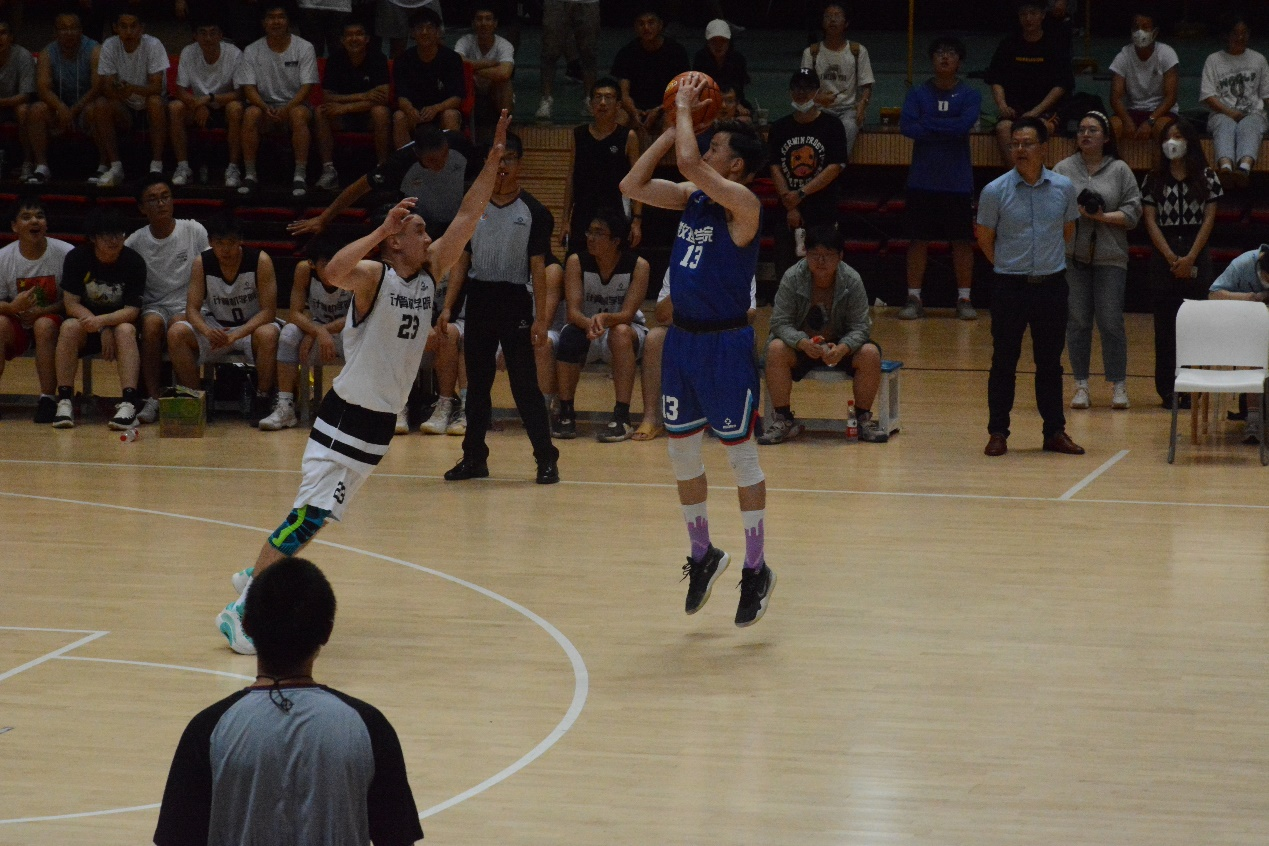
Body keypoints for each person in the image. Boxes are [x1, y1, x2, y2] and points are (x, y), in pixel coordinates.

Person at [215, 112, 512, 655]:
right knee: (309, 516)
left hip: (377, 423)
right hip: (347, 417)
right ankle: (245, 612)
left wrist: (492, 161)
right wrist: (379, 230)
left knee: (316, 516)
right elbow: (332, 273)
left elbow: (469, 215)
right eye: (418, 230)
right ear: (396, 243)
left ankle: (255, 574)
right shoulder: (376, 276)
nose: (430, 235)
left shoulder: (429, 272)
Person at [619, 73, 776, 628]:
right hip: (683, 342)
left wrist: (685, 109)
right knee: (682, 454)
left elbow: (689, 163)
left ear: (736, 165)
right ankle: (703, 553)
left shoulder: (744, 205)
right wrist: (669, 129)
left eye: (716, 149)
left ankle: (755, 567)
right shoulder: (694, 197)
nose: (706, 152)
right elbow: (632, 185)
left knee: (741, 457)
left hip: (726, 346)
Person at [156, 557, 424, 846]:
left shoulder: (207, 729)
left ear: (246, 625)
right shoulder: (369, 727)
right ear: (327, 632)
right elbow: (397, 838)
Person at [436, 131, 561, 484]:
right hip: (479, 299)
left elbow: (538, 266)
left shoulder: (535, 211)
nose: (503, 165)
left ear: (520, 164)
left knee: (525, 385)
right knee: (477, 386)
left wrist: (540, 318)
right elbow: (462, 261)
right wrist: (448, 307)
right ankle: (474, 458)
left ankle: (546, 458)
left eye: (509, 159)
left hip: (514, 301)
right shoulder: (472, 208)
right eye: (497, 159)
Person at [976, 116, 1084, 457]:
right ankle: (997, 432)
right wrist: (1010, 266)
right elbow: (985, 238)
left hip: (1051, 286)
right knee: (1003, 361)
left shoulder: (1064, 188)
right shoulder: (994, 191)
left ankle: (1054, 432)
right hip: (1009, 287)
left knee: (1050, 363)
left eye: (1027, 144)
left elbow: (1068, 232)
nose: (1020, 150)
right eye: (1015, 144)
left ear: (1044, 148)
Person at [759, 223, 888, 445]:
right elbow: (779, 323)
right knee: (776, 349)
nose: (820, 261)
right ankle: (782, 419)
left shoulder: (852, 280)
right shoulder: (792, 277)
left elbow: (861, 327)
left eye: (827, 255)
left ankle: (862, 420)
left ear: (840, 256)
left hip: (839, 345)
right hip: (802, 345)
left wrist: (843, 348)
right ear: (805, 254)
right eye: (814, 254)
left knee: (870, 353)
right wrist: (802, 342)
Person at [1052, 110, 1142, 411]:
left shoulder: (1120, 169)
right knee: (1077, 321)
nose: (1085, 135)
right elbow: (1051, 208)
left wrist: (1102, 216)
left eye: (1092, 130)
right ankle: (1080, 384)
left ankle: (1118, 384)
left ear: (1105, 137)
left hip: (1110, 256)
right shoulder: (1063, 168)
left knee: (1110, 321)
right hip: (1073, 257)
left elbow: (1133, 213)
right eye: (1081, 130)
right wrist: (1075, 213)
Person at [898, 35, 981, 321]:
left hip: (957, 182)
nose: (945, 57)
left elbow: (963, 126)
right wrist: (948, 126)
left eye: (951, 52)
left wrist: (929, 123)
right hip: (922, 180)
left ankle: (964, 298)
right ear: (932, 60)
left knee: (962, 241)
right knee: (918, 240)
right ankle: (913, 297)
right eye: (940, 53)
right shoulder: (917, 93)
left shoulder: (970, 94)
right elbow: (908, 127)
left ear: (960, 61)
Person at [168, 213, 280, 424]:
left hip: (250, 327)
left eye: (231, 242)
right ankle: (197, 399)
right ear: (210, 242)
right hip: (217, 326)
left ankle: (262, 398)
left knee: (269, 333)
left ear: (240, 241)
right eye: (220, 243)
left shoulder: (260, 260)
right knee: (176, 332)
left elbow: (268, 312)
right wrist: (207, 331)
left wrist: (236, 335)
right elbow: (192, 309)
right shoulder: (202, 263)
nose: (226, 249)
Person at [1141, 116, 1221, 408]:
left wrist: (1190, 258)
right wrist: (1171, 257)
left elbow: (1209, 219)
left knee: (1195, 324)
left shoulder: (1208, 177)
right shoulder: (1153, 179)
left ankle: (1194, 385)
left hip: (1196, 247)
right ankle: (1168, 389)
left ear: (1190, 141)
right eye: (1166, 137)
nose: (1171, 143)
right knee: (1165, 326)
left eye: (1177, 136)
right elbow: (1150, 221)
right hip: (1164, 250)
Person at [553, 208, 649, 442]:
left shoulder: (638, 266)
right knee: (569, 336)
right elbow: (573, 312)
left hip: (625, 329)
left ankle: (622, 417)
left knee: (621, 333)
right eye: (589, 232)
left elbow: (627, 314)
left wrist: (605, 319)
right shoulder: (576, 261)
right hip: (586, 327)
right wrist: (590, 324)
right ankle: (566, 412)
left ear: (616, 241)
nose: (591, 238)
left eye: (599, 233)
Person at [290, 123, 475, 242]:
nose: (441, 164)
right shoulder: (399, 162)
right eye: (433, 161)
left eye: (445, 156)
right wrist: (324, 218)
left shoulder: (458, 142)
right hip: (422, 217)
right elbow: (359, 187)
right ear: (417, 154)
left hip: (456, 210)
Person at [126, 174, 211, 424]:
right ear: (142, 207)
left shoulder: (193, 230)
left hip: (191, 304)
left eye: (165, 197)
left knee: (177, 326)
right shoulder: (135, 242)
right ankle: (153, 398)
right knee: (151, 326)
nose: (161, 203)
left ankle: (191, 398)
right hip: (154, 305)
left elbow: (210, 270)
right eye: (153, 199)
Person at [50, 208, 145, 431]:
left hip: (119, 326)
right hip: (87, 326)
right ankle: (64, 401)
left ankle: (129, 403)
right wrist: (100, 327)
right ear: (93, 237)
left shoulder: (134, 262)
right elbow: (71, 304)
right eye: (107, 235)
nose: (114, 240)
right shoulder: (77, 258)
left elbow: (132, 311)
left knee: (125, 330)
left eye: (119, 234)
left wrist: (103, 323)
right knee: (69, 326)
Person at [259, 236, 352, 432]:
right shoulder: (304, 271)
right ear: (312, 264)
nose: (333, 270)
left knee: (359, 336)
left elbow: (357, 316)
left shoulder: (354, 270)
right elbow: (294, 313)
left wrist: (319, 332)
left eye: (336, 263)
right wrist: (317, 331)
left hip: (348, 331)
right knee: (288, 333)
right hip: (319, 330)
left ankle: (353, 409)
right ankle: (286, 406)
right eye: (326, 265)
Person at [766, 67, 847, 282]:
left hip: (822, 211)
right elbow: (774, 166)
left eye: (808, 88)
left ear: (817, 92)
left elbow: (834, 167)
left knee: (823, 272)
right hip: (787, 212)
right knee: (786, 272)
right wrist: (790, 205)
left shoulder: (832, 125)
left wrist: (801, 193)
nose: (802, 93)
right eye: (797, 87)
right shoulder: (779, 127)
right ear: (790, 91)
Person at [0, 196, 72, 423]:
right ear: (14, 226)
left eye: (40, 216)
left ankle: (48, 399)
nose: (34, 221)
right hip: (17, 322)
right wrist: (12, 307)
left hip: (54, 323)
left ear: (46, 224)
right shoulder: (3, 258)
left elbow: (72, 301)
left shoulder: (66, 253)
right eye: (26, 217)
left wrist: (43, 311)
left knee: (44, 325)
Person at [235, 3, 320, 196]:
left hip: (296, 105)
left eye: (281, 17)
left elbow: (307, 87)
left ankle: (300, 176)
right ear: (264, 23)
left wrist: (288, 108)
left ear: (288, 21)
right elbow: (248, 88)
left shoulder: (304, 47)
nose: (276, 22)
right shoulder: (251, 50)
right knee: (250, 113)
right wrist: (264, 107)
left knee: (298, 115)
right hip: (264, 107)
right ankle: (250, 174)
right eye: (271, 17)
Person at [984, 0, 1072, 163]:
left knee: (1035, 130)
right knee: (1003, 128)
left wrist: (1035, 112)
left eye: (1033, 13)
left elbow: (1061, 85)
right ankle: (1016, 175)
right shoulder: (1008, 44)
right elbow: (996, 78)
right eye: (1023, 14)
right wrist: (1002, 105)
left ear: (1042, 15)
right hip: (1015, 109)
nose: (1028, 18)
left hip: (1046, 111)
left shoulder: (1055, 45)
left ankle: (1033, 174)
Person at [563, 76, 642, 255]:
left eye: (609, 97)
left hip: (616, 213)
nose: (603, 103)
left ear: (619, 105)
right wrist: (565, 221)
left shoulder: (628, 137)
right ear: (591, 104)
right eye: (598, 97)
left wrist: (637, 220)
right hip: (583, 213)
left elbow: (638, 180)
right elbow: (571, 177)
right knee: (576, 263)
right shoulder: (579, 135)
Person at [92, 10, 169, 188]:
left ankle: (156, 165)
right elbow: (106, 86)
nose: (128, 31)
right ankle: (115, 166)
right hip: (124, 105)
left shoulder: (154, 44)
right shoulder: (109, 45)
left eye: (133, 26)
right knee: (101, 104)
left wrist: (131, 89)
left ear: (142, 28)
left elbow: (157, 88)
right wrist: (122, 92)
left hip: (149, 103)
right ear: (115, 28)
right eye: (124, 26)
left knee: (155, 102)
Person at [314, 19, 392, 190]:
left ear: (367, 39)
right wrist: (364, 96)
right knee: (321, 111)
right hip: (343, 117)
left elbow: (383, 97)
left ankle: (382, 169)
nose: (354, 38)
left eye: (358, 34)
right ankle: (328, 170)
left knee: (380, 111)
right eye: (349, 35)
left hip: (368, 117)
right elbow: (328, 97)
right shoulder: (335, 60)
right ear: (342, 40)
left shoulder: (378, 58)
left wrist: (345, 106)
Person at [169, 16, 244, 188]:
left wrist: (209, 99)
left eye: (212, 33)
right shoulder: (188, 52)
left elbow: (240, 93)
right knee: (174, 107)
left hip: (224, 105)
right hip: (197, 106)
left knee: (235, 108)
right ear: (195, 36)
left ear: (221, 35)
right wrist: (198, 105)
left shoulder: (234, 53)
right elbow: (180, 90)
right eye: (203, 33)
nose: (208, 38)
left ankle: (233, 168)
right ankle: (183, 167)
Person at [26, 11, 100, 184]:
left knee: (98, 108)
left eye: (73, 28)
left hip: (85, 106)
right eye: (64, 29)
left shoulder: (95, 49)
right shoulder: (47, 52)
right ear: (55, 32)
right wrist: (61, 108)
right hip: (59, 108)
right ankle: (41, 167)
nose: (69, 32)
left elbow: (98, 88)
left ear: (81, 30)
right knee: (36, 109)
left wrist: (72, 111)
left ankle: (103, 166)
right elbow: (43, 89)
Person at [1200, 14, 1269, 188]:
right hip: (1221, 113)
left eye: (1244, 33)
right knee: (1225, 125)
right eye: (1235, 33)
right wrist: (1230, 113)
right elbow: (1208, 96)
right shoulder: (1213, 60)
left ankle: (1244, 169)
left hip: (1253, 113)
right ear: (1226, 35)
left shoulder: (1259, 59)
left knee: (1250, 124)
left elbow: (1266, 94)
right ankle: (1225, 169)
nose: (1240, 37)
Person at [800, 2, 873, 156]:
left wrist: (862, 104)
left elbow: (866, 85)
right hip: (820, 109)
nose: (832, 20)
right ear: (822, 23)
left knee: (849, 126)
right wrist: (817, 98)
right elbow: (803, 88)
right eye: (828, 16)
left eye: (837, 16)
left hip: (848, 109)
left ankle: (837, 165)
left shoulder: (857, 51)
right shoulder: (811, 52)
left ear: (846, 23)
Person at [610, 8, 690, 139]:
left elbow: (681, 91)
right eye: (641, 24)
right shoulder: (626, 53)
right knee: (618, 119)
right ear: (635, 27)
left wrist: (659, 109)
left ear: (660, 25)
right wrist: (634, 112)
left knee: (671, 120)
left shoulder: (676, 52)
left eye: (651, 23)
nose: (646, 28)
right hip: (634, 109)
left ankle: (666, 153)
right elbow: (624, 94)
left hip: (666, 107)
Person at [391, 7, 464, 144]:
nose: (424, 32)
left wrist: (436, 108)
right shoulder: (403, 60)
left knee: (451, 114)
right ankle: (404, 157)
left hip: (441, 112)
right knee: (399, 116)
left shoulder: (452, 58)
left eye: (429, 28)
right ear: (412, 33)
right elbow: (401, 97)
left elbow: (456, 98)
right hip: (414, 115)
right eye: (420, 28)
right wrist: (410, 109)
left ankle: (452, 156)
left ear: (438, 32)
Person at [1108, 7, 1179, 144]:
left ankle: (1159, 159)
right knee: (1110, 127)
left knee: (1163, 129)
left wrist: (1151, 121)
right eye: (1136, 27)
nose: (1139, 31)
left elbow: (1171, 97)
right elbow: (1115, 98)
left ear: (1155, 32)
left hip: (1161, 113)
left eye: (1145, 27)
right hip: (1132, 111)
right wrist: (1127, 121)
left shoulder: (1167, 54)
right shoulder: (1123, 56)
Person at [536, 0, 601, 122]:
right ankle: (546, 99)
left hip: (588, 2)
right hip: (556, 3)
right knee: (550, 52)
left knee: (589, 53)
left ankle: (589, 100)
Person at [454, 4, 514, 128]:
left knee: (505, 82)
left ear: (495, 23)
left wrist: (471, 69)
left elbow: (504, 73)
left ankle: (504, 129)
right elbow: (456, 62)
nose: (483, 23)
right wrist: (488, 63)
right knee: (459, 80)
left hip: (494, 90)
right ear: (473, 23)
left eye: (488, 19)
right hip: (472, 89)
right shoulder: (465, 41)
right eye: (479, 19)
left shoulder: (505, 45)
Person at [0, 19, 35, 182]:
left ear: (11, 37)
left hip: (17, 105)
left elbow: (26, 95)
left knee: (23, 110)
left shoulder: (23, 55)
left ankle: (28, 162)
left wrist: (2, 102)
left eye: (2, 33)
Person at [692, 19, 750, 115]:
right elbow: (699, 86)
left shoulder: (738, 59)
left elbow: (739, 86)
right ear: (708, 43)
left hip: (733, 100)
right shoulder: (701, 58)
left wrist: (736, 103)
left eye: (723, 41)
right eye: (713, 41)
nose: (718, 45)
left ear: (729, 42)